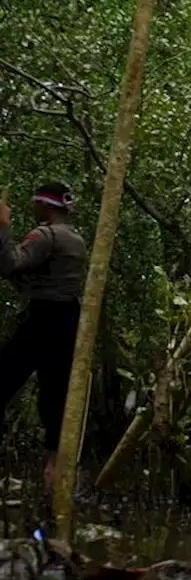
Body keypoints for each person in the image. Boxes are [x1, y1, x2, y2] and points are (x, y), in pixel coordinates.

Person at [0, 182, 87, 489]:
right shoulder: (76, 239)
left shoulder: (45, 235)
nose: (32, 208)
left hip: (43, 318)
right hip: (68, 321)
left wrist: (3, 226)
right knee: (55, 395)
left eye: (35, 203)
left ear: (46, 207)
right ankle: (54, 469)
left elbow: (9, 263)